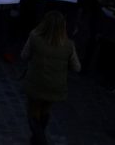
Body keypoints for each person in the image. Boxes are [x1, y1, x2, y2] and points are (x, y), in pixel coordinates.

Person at [20, 11, 81, 145]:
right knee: (45, 110)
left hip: (35, 82)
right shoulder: (68, 45)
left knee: (33, 111)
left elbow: (24, 55)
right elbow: (77, 67)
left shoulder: (34, 37)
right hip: (55, 84)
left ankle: (40, 140)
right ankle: (37, 139)